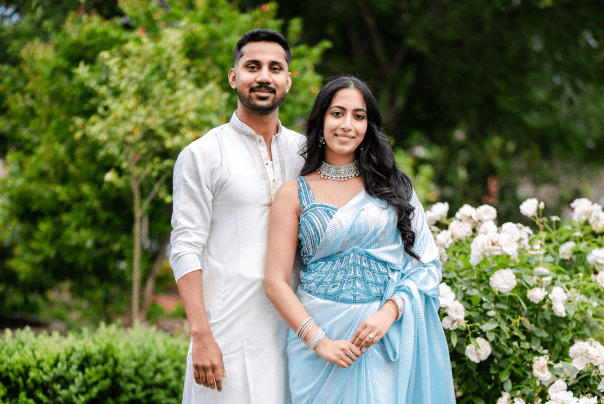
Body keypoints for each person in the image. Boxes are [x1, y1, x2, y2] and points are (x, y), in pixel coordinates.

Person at [265, 76, 456, 403]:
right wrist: (320, 342)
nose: (347, 125)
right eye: (337, 113)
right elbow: (275, 282)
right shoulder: (292, 194)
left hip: (379, 341)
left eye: (358, 116)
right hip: (315, 348)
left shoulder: (394, 189)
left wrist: (389, 312)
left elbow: (426, 266)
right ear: (321, 120)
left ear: (369, 127)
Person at [169, 29, 305, 403]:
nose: (264, 76)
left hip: (297, 333)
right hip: (226, 335)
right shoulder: (202, 154)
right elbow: (184, 247)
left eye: (275, 68)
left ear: (288, 81)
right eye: (252, 66)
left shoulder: (306, 153)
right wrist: (201, 334)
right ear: (234, 77)